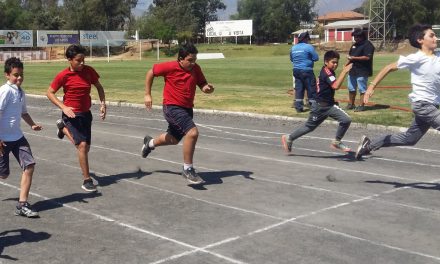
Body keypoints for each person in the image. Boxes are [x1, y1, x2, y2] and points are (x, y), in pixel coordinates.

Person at [355, 24, 440, 160]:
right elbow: (388, 67)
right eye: (432, 35)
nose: (435, 37)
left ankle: (369, 145)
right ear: (420, 40)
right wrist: (371, 87)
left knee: (410, 138)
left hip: (432, 105)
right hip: (423, 105)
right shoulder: (416, 58)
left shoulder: (438, 56)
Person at [142, 43, 214, 185]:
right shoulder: (169, 66)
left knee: (173, 139)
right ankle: (188, 169)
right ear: (180, 59)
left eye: (195, 60)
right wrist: (147, 94)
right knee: (192, 133)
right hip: (172, 107)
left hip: (187, 108)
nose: (193, 63)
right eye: (190, 60)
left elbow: (202, 84)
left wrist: (207, 89)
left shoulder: (196, 68)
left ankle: (149, 143)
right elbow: (150, 72)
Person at [46, 44, 106, 192]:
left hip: (86, 114)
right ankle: (87, 179)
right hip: (71, 114)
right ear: (69, 60)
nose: (82, 63)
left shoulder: (89, 71)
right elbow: (49, 92)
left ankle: (62, 129)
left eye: (83, 60)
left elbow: (99, 86)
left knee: (85, 148)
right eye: (79, 60)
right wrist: (63, 107)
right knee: (82, 146)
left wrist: (103, 104)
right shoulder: (63, 75)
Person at [281, 50, 352, 153]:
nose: (335, 65)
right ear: (326, 62)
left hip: (329, 106)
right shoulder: (326, 72)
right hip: (320, 107)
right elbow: (335, 86)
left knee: (346, 120)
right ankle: (289, 138)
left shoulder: (329, 71)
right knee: (309, 127)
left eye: (337, 62)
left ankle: (336, 141)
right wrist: (345, 71)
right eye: (333, 62)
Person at [0, 57, 42, 217]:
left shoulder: (20, 92)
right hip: (2, 139)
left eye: (21, 75)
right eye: (16, 75)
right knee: (3, 175)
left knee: (29, 166)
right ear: (7, 75)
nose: (19, 78)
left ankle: (22, 204)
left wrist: (32, 124)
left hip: (17, 138)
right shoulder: (4, 91)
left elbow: (23, 112)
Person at [346, 28, 375, 112]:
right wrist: (346, 65)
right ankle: (351, 104)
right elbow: (350, 56)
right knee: (351, 88)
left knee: (362, 89)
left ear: (362, 36)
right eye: (354, 37)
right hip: (353, 70)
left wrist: (354, 58)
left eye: (357, 37)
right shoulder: (354, 45)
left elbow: (367, 57)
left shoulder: (368, 45)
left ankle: (361, 105)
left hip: (362, 70)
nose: (355, 38)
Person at [290, 31, 319, 113]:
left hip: (296, 71)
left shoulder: (293, 48)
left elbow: (291, 59)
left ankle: (298, 107)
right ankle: (313, 107)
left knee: (299, 89)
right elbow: (316, 58)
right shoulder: (308, 47)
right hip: (307, 70)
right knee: (311, 88)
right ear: (306, 39)